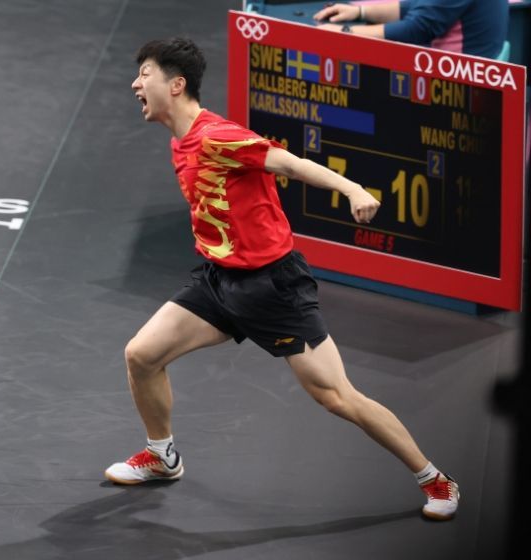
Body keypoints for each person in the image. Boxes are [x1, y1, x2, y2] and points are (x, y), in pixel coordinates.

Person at [104, 37, 460, 521]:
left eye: (145, 73)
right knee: (142, 355)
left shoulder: (218, 137)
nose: (135, 84)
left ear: (177, 84)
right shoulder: (179, 141)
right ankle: (162, 456)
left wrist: (353, 188)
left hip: (274, 287)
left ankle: (435, 479)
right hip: (219, 280)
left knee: (337, 397)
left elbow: (291, 164)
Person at [313, 0, 508, 59]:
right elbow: (416, 6)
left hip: (460, 84)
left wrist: (345, 32)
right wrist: (360, 12)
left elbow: (417, 29)